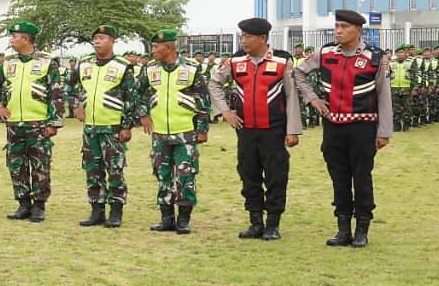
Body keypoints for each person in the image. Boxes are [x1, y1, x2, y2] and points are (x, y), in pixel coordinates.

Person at [292, 10, 393, 248]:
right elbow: (298, 73)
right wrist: (312, 99)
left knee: (361, 177)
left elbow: (383, 94)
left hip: (363, 126)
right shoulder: (325, 53)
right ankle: (343, 229)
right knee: (338, 177)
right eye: (336, 26)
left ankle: (362, 229)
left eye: (344, 27)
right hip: (333, 126)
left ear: (358, 30)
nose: (338, 31)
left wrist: (384, 131)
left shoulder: (374, 57)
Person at [207, 18, 301, 241]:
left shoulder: (281, 63)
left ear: (263, 38)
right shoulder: (235, 62)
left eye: (248, 36)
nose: (244, 41)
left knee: (276, 176)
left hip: (274, 130)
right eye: (242, 36)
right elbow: (213, 84)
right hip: (246, 130)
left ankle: (273, 224)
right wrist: (225, 112)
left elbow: (291, 97)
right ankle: (255, 222)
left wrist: (293, 129)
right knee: (249, 174)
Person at [0, 21, 64, 222]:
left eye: (14, 36)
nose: (11, 40)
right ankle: (23, 203)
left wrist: (53, 122)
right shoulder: (8, 64)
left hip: (38, 123)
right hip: (14, 125)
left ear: (26, 39)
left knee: (40, 164)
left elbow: (56, 94)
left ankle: (39, 205)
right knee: (16, 164)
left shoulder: (48, 63)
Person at [138, 29, 210, 234]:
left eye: (155, 47)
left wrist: (202, 129)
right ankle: (166, 218)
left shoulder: (192, 69)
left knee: (186, 175)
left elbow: (203, 100)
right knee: (163, 175)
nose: (153, 51)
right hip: (159, 133)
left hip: (185, 132)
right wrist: (143, 114)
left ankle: (184, 219)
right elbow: (139, 93)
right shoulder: (150, 69)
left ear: (168, 47)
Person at [71, 25, 137, 228]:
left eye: (102, 38)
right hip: (90, 128)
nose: (97, 41)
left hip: (112, 128)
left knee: (114, 170)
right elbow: (68, 87)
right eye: (96, 38)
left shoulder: (123, 66)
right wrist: (75, 106)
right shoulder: (84, 64)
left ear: (112, 41)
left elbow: (131, 98)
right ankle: (96, 210)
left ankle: (116, 211)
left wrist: (126, 126)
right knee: (93, 170)